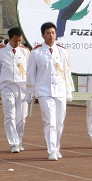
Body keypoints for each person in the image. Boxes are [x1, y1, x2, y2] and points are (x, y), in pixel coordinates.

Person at [25, 22, 74, 161]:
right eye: (48, 33)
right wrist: (30, 92)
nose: (51, 35)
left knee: (59, 122)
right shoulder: (36, 52)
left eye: (53, 32)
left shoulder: (63, 52)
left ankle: (57, 147)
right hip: (44, 91)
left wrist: (69, 90)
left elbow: (67, 72)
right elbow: (30, 74)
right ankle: (51, 150)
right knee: (50, 121)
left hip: (60, 90)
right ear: (43, 35)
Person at [0, 27, 31, 152]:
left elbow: (30, 71)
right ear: (10, 39)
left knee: (22, 117)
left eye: (20, 41)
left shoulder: (25, 52)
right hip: (7, 86)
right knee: (10, 115)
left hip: (22, 86)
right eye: (15, 41)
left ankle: (19, 139)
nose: (18, 43)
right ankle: (13, 143)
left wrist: (32, 88)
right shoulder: (0, 52)